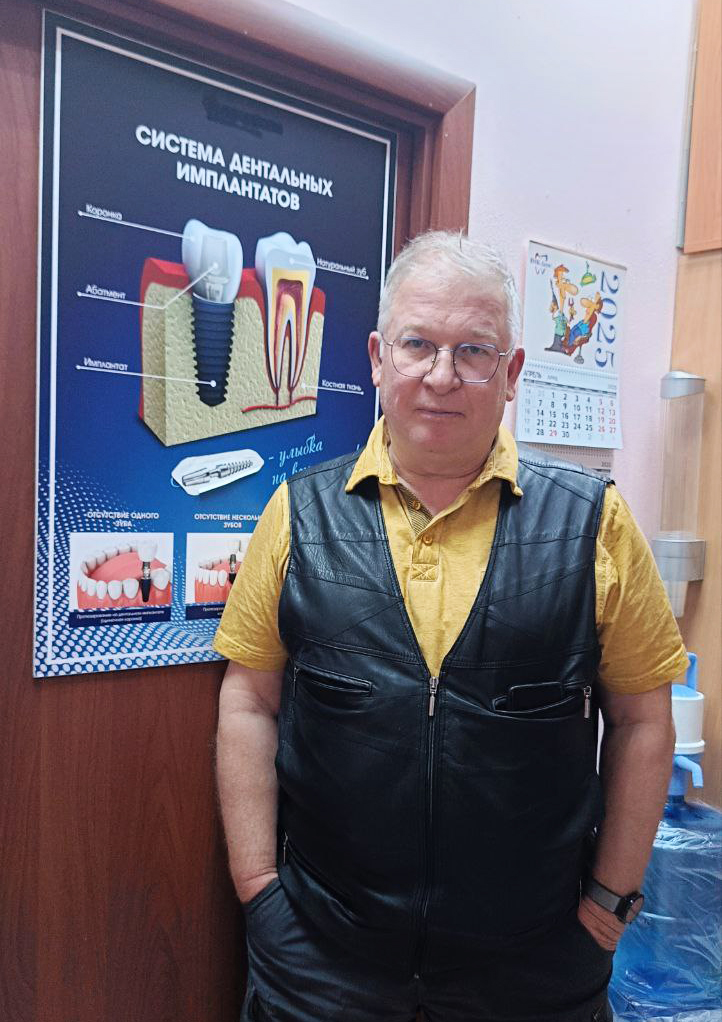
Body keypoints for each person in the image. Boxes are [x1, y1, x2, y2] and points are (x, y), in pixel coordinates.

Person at [214, 231, 687, 1022]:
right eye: (418, 345)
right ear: (377, 358)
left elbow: (643, 721)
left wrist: (609, 903)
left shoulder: (594, 523)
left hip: (533, 972)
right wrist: (258, 888)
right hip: (323, 965)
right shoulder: (297, 514)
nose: (441, 375)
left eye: (473, 351)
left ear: (512, 373)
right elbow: (249, 702)